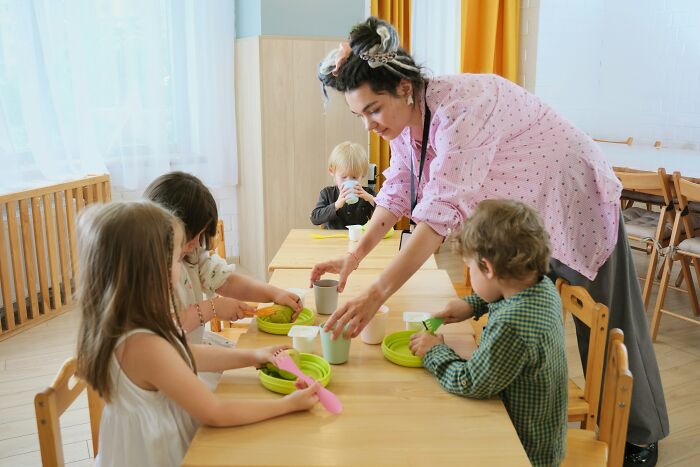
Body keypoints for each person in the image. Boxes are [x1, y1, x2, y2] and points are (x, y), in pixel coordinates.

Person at [311, 16, 668, 465]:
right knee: (535, 314)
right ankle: (541, 417)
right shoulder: (408, 125)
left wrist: (375, 295)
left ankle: (640, 438)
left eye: (373, 110)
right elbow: (400, 187)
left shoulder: (463, 107)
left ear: (404, 88)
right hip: (527, 221)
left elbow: (439, 215)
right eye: (359, 114)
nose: (368, 125)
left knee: (610, 324)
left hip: (574, 199)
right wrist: (355, 256)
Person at [75, 201, 319, 467]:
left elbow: (184, 355)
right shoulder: (142, 344)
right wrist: (288, 405)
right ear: (153, 270)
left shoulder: (128, 322)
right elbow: (215, 412)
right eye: (177, 259)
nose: (183, 265)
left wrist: (254, 355)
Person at [410, 200, 567, 466]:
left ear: (488, 268)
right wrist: (470, 305)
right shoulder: (542, 287)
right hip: (544, 433)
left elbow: (470, 382)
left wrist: (434, 350)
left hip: (520, 448)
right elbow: (504, 293)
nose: (470, 273)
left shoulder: (512, 325)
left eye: (470, 267)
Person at [144, 171, 303, 345]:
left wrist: (274, 293)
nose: (197, 244)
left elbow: (225, 281)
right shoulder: (146, 272)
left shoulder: (191, 254)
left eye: (201, 235)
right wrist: (213, 308)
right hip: (173, 359)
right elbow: (169, 326)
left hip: (196, 347)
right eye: (193, 236)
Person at [310, 141, 376, 229]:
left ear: (362, 174)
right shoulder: (327, 193)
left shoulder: (367, 193)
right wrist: (336, 205)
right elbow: (315, 218)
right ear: (332, 171)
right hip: (333, 240)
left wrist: (370, 199)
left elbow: (386, 212)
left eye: (355, 177)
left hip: (359, 239)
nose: (348, 181)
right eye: (343, 177)